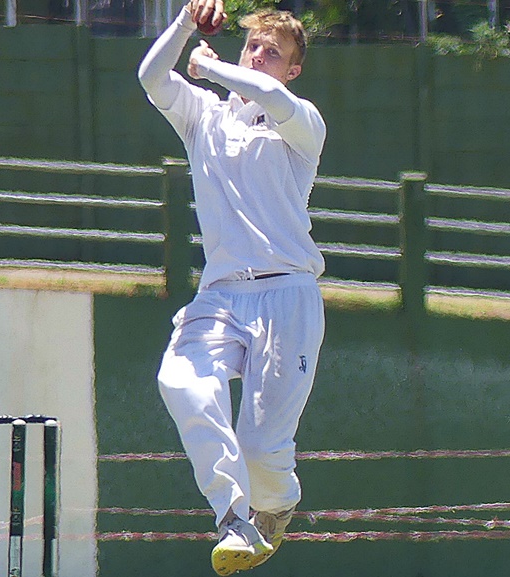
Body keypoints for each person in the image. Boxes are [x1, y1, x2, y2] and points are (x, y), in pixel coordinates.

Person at [138, 1, 326, 574]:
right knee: (180, 379)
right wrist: (185, 25)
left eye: (274, 53)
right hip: (220, 293)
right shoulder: (204, 116)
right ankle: (233, 515)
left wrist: (212, 67)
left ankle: (276, 504)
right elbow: (151, 78)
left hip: (288, 293)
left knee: (263, 452)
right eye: (254, 47)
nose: (260, 55)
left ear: (293, 69)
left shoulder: (302, 121)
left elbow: (269, 99)